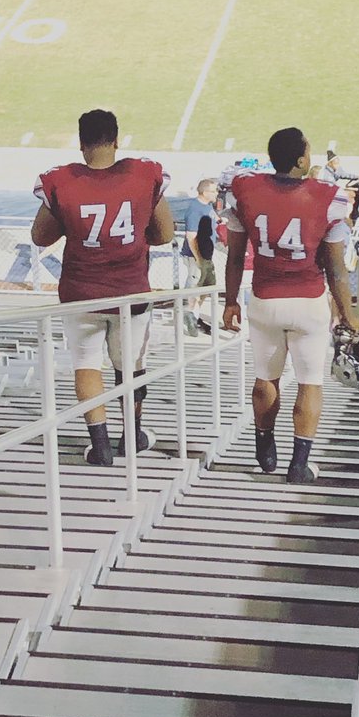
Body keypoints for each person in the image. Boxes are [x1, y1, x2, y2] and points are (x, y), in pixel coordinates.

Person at [31, 109, 174, 466]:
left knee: (87, 365)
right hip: (131, 290)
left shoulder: (61, 181)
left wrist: (72, 223)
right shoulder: (144, 175)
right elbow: (165, 233)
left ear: (81, 144)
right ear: (116, 139)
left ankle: (101, 445)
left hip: (82, 292)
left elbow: (40, 235)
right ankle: (132, 434)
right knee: (130, 367)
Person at [222, 126, 359, 486]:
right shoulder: (327, 196)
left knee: (266, 377)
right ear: (301, 160)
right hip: (308, 300)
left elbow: (235, 256)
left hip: (265, 298)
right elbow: (335, 268)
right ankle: (298, 464)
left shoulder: (246, 190)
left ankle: (265, 445)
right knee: (310, 383)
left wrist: (231, 300)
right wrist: (349, 314)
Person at [181, 178, 219, 336]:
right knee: (195, 285)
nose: (217, 193)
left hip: (207, 254)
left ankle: (194, 314)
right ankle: (188, 315)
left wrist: (220, 220)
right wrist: (198, 259)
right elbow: (191, 236)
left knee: (208, 285)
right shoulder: (195, 210)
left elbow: (213, 217)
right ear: (204, 192)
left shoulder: (207, 206)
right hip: (196, 256)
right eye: (214, 191)